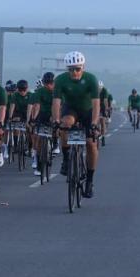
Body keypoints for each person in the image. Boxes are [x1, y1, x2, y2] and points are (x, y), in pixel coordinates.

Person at [51, 51, 100, 198]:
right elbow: (56, 103)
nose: (74, 72)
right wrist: (56, 120)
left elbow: (96, 104)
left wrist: (94, 123)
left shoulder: (91, 79)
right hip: (70, 109)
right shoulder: (60, 80)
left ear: (83, 68)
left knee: (91, 143)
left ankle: (90, 180)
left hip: (87, 110)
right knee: (65, 124)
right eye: (71, 69)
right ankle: (66, 159)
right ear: (67, 70)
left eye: (77, 69)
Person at [27, 73, 55, 175]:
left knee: (57, 129)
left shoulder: (57, 91)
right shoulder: (40, 91)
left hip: (54, 114)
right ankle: (39, 165)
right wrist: (33, 119)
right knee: (38, 139)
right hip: (42, 115)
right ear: (43, 83)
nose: (49, 85)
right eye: (46, 83)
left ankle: (55, 145)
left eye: (51, 83)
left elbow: (60, 105)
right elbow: (37, 105)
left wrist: (56, 117)